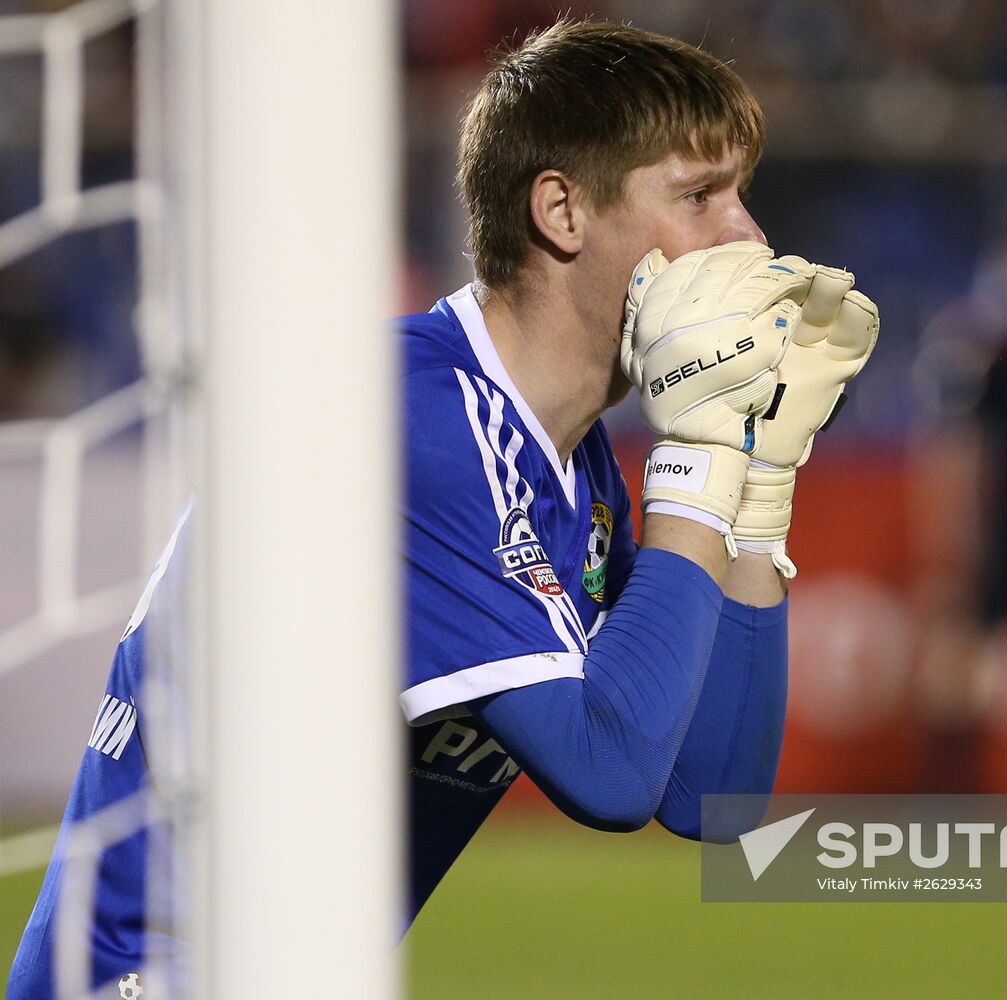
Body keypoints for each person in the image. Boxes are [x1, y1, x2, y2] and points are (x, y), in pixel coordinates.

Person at [8, 18, 877, 997]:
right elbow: (611, 776)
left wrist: (756, 489)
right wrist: (701, 454)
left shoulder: (568, 465)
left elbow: (707, 798)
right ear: (562, 210)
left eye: (740, 197)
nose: (748, 236)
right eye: (698, 196)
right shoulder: (407, 422)